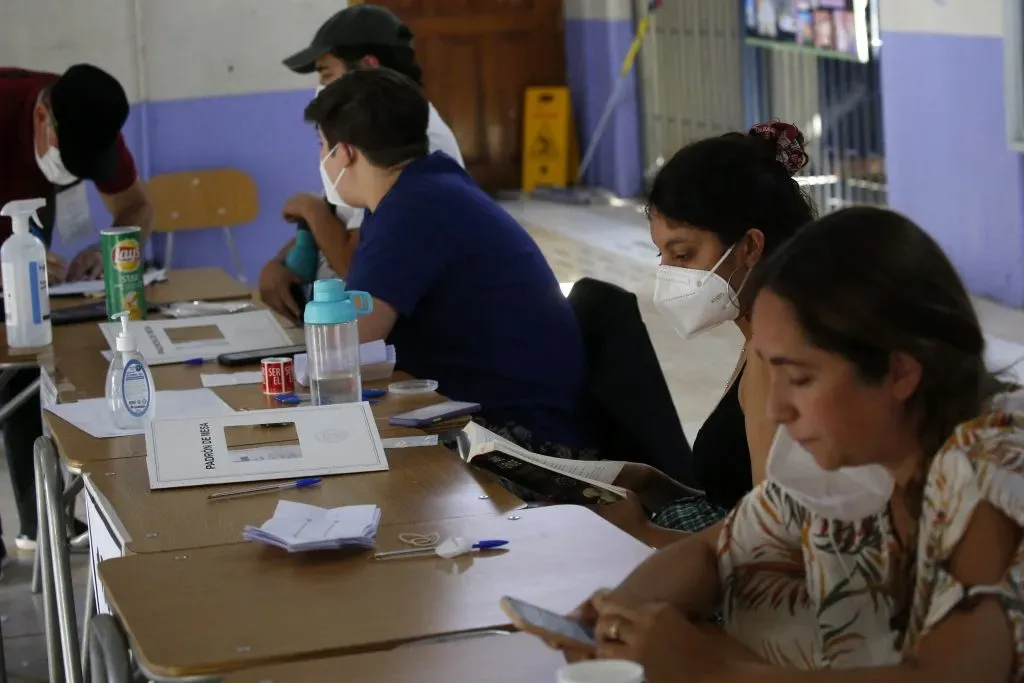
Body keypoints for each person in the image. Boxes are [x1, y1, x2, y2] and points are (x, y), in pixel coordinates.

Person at [557, 207, 1024, 682]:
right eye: (769, 371)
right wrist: (620, 616)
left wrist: (715, 671)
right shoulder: (847, 458)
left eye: (800, 377)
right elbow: (714, 552)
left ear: (901, 372)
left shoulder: (990, 459)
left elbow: (955, 675)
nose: (777, 409)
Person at [304, 67, 593, 456]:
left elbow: (353, 337)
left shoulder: (412, 208)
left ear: (345, 152)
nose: (321, 158)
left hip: (520, 438)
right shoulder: (423, 186)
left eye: (322, 145)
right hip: (496, 411)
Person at [599, 121, 815, 546]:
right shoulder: (755, 331)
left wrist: (641, 532)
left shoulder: (780, 355)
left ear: (750, 247)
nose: (668, 273)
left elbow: (771, 545)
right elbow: (737, 498)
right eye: (661, 254)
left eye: (683, 254)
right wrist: (652, 484)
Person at [0, 63, 153, 560]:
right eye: (70, 158)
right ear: (43, 117)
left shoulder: (94, 118)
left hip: (25, 265)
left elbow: (134, 206)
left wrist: (107, 250)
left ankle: (44, 530)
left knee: (28, 379)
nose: (76, 173)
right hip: (12, 249)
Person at [260, 4, 464, 323]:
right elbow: (338, 217)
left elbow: (356, 266)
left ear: (368, 67)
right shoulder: (371, 137)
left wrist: (309, 208)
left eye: (327, 74)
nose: (321, 90)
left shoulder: (406, 144)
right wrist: (279, 263)